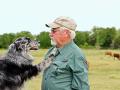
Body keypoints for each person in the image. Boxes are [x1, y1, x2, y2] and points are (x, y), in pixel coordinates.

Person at [41, 16, 90, 90]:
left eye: (53, 31)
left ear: (66, 33)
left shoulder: (76, 54)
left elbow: (82, 87)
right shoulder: (50, 51)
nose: (50, 34)